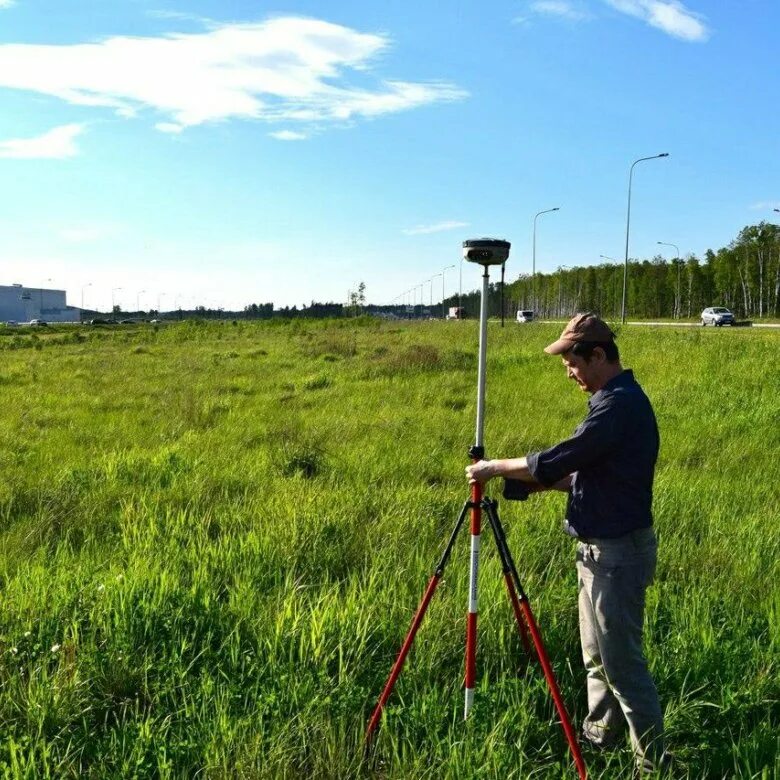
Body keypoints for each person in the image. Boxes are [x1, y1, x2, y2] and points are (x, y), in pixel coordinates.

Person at [465, 312, 671, 776]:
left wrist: (495, 467)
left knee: (623, 666)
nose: (568, 371)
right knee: (595, 656)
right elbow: (588, 474)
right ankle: (601, 735)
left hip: (616, 554)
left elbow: (563, 457)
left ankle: (654, 764)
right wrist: (531, 486)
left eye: (572, 362)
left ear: (598, 355)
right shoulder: (611, 402)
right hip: (598, 550)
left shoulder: (618, 407)